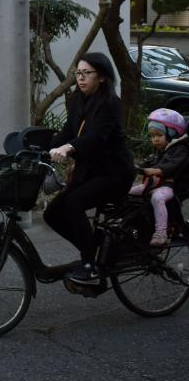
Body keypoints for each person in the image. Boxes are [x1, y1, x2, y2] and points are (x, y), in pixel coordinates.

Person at [44, 52, 135, 284]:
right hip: (89, 172)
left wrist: (69, 148)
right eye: (78, 73)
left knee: (74, 204)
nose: (81, 78)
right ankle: (94, 250)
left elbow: (96, 137)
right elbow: (67, 131)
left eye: (87, 73)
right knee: (52, 213)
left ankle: (89, 263)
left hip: (113, 173)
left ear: (102, 77)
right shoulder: (77, 100)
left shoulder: (111, 104)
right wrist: (43, 147)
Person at [130, 108, 189, 248]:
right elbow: (148, 162)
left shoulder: (180, 150)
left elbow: (171, 166)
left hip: (169, 186)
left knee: (158, 198)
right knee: (130, 192)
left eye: (159, 135)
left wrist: (155, 171)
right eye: (152, 136)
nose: (155, 139)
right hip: (152, 183)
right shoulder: (161, 150)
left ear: (171, 134)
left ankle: (160, 233)